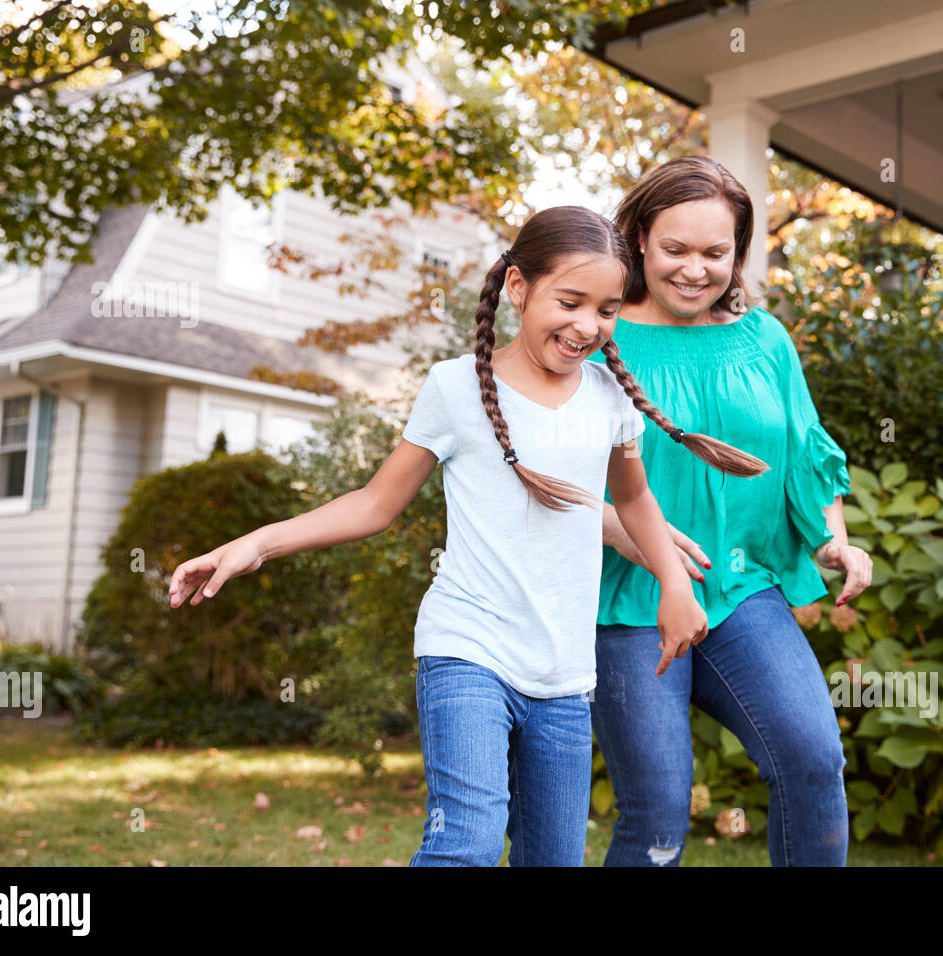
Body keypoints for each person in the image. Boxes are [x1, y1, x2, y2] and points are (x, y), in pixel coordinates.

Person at [167, 204, 764, 866]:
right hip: (467, 648)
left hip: (564, 674)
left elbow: (635, 500)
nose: (587, 326)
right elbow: (374, 503)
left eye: (607, 309)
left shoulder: (609, 399)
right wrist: (257, 543)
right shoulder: (455, 388)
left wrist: (673, 581)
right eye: (569, 301)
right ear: (517, 287)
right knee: (467, 843)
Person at [585, 156, 875, 866]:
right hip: (626, 602)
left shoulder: (764, 339)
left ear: (737, 251)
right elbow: (543, 469)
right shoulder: (596, 336)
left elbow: (803, 449)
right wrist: (626, 536)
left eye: (715, 252)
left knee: (812, 760)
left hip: (743, 590)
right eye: (675, 249)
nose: (694, 269)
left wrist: (833, 539)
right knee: (656, 814)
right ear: (640, 241)